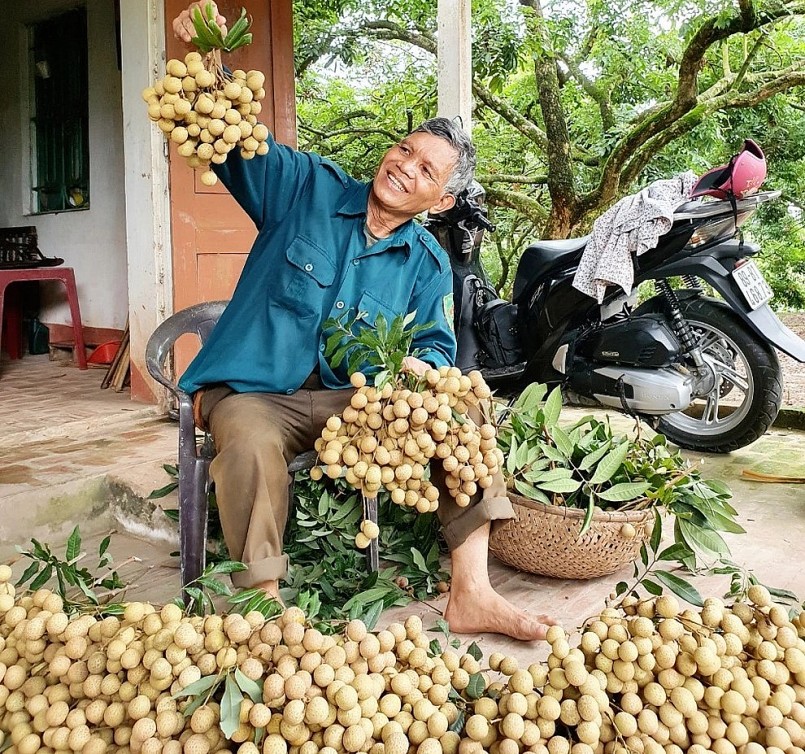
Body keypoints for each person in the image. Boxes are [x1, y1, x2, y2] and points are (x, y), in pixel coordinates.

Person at [172, 2, 555, 641]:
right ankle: (262, 606)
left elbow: (435, 346)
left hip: (354, 403)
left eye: (426, 169)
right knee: (248, 436)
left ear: (443, 200)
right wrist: (210, 64)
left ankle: (473, 591)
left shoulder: (427, 262)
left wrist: (423, 372)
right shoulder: (306, 187)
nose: (404, 165)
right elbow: (235, 141)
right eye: (405, 149)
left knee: (464, 410)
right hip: (256, 391)